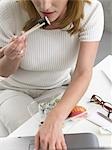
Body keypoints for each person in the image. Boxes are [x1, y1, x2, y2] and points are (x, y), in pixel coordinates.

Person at [0, 0, 104, 149]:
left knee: (72, 137)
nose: (44, 6)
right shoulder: (8, 10)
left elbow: (83, 72)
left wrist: (55, 118)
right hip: (11, 89)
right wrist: (12, 57)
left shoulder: (90, 10)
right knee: (36, 139)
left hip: (58, 87)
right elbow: (4, 71)